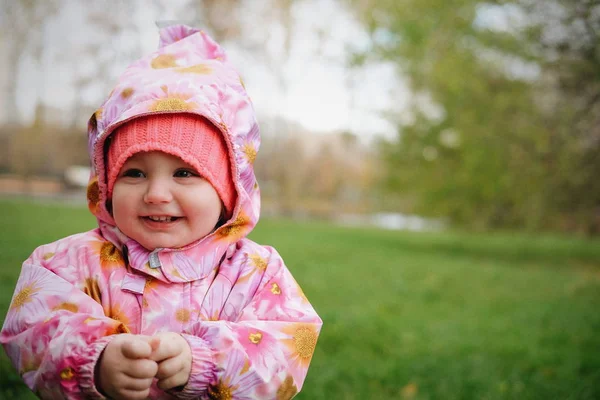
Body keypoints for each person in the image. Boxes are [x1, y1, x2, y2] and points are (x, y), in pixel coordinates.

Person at [0, 24, 322, 400]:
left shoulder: (254, 273)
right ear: (105, 183)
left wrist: (204, 361)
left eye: (184, 173)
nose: (155, 194)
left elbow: (283, 347)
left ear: (228, 190)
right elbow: (33, 329)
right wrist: (96, 361)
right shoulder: (66, 263)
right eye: (134, 173)